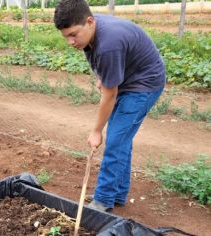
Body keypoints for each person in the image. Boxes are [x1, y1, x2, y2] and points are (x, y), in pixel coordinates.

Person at [54, 0, 166, 211]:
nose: (70, 41)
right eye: (65, 36)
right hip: (130, 77)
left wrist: (96, 131)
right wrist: (104, 76)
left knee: (115, 140)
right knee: (121, 139)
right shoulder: (91, 31)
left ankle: (104, 199)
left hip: (144, 84)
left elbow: (110, 93)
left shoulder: (108, 44)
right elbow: (103, 67)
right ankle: (117, 194)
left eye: (73, 34)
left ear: (89, 21)